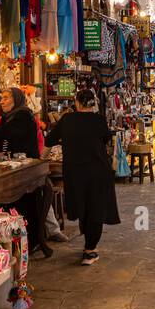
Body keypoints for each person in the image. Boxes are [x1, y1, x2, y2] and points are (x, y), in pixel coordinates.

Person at [0, 87, 52, 258]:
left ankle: (28, 241)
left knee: (25, 206)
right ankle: (14, 241)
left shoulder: (22, 116)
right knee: (14, 207)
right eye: (1, 98)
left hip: (24, 172)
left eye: (6, 98)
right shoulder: (8, 117)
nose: (2, 101)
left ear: (16, 100)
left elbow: (7, 134)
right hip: (15, 169)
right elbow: (4, 138)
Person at [51, 88, 121, 265]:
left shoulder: (67, 120)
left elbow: (49, 140)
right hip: (98, 171)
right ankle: (90, 249)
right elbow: (104, 140)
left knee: (83, 206)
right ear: (93, 103)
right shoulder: (99, 120)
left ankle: (89, 246)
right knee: (95, 208)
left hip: (75, 172)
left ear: (77, 102)